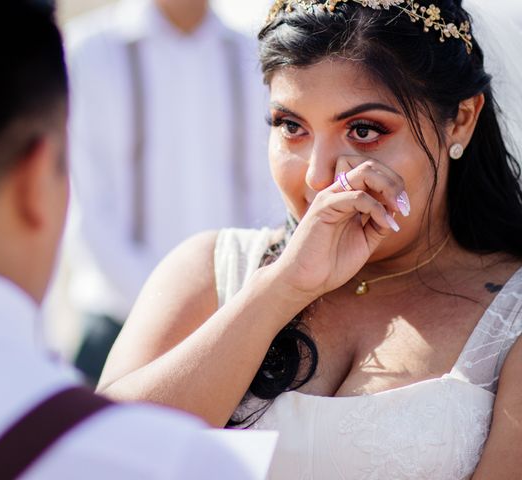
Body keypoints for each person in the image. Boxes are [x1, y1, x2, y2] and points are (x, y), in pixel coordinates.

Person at [98, 0, 522, 478]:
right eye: (291, 127)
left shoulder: (512, 314)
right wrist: (281, 288)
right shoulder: (210, 270)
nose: (320, 177)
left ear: (461, 119)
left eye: (364, 130)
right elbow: (96, 458)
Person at [0, 1, 257, 478]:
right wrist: (183, 311)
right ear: (37, 181)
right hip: (120, 324)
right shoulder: (166, 463)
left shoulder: (250, 51)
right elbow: (94, 217)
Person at [65, 0, 285, 384]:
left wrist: (237, 311)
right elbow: (86, 211)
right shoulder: (90, 54)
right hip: (117, 328)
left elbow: (270, 195)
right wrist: (172, 316)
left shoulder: (253, 54)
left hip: (239, 327)